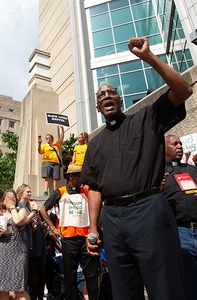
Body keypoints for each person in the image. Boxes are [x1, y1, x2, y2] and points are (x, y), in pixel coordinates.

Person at [81, 37, 193, 300]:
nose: (106, 96)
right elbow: (95, 187)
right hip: (113, 220)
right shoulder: (94, 145)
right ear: (98, 106)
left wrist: (149, 57)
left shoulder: (146, 119)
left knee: (165, 287)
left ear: (119, 99)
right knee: (124, 292)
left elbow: (183, 91)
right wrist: (94, 228)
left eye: (111, 92)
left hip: (149, 211)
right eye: (101, 95)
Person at [40, 165, 99, 300]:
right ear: (71, 177)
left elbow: (98, 205)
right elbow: (43, 210)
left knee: (91, 275)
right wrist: (53, 228)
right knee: (69, 276)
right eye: (78, 175)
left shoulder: (86, 191)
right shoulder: (60, 192)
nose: (81, 178)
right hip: (68, 239)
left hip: (86, 238)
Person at [162, 134, 197, 300]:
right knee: (189, 282)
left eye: (181, 143)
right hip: (180, 233)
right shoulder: (158, 174)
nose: (179, 146)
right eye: (174, 143)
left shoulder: (191, 170)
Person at [0, 189, 30, 300]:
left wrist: (12, 208)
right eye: (7, 197)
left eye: (12, 198)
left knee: (19, 290)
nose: (10, 199)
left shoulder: (21, 211)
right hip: (2, 253)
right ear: (3, 201)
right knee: (2, 290)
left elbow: (18, 222)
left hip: (18, 252)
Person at [15, 184, 45, 300]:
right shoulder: (19, 206)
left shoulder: (27, 206)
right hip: (23, 244)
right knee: (27, 276)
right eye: (27, 192)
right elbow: (22, 222)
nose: (29, 193)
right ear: (21, 193)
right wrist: (33, 211)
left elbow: (31, 227)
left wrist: (37, 224)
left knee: (35, 275)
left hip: (33, 244)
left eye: (30, 191)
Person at [38, 126, 65, 196]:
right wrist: (39, 143)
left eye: (48, 138)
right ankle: (46, 191)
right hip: (47, 162)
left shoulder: (56, 145)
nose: (47, 139)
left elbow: (61, 139)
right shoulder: (44, 146)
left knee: (55, 179)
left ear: (52, 139)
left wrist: (62, 130)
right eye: (46, 138)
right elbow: (40, 151)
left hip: (56, 163)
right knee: (46, 178)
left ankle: (55, 192)